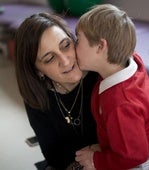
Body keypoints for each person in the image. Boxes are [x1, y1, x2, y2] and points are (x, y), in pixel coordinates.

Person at [75, 4, 149, 170]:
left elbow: (133, 157)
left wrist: (97, 160)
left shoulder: (121, 104)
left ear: (100, 46)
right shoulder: (130, 61)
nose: (74, 46)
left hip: (146, 163)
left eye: (78, 39)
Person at [15, 12, 99, 170]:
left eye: (66, 45)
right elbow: (54, 155)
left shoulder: (101, 73)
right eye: (49, 58)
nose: (65, 61)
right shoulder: (36, 96)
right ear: (37, 71)